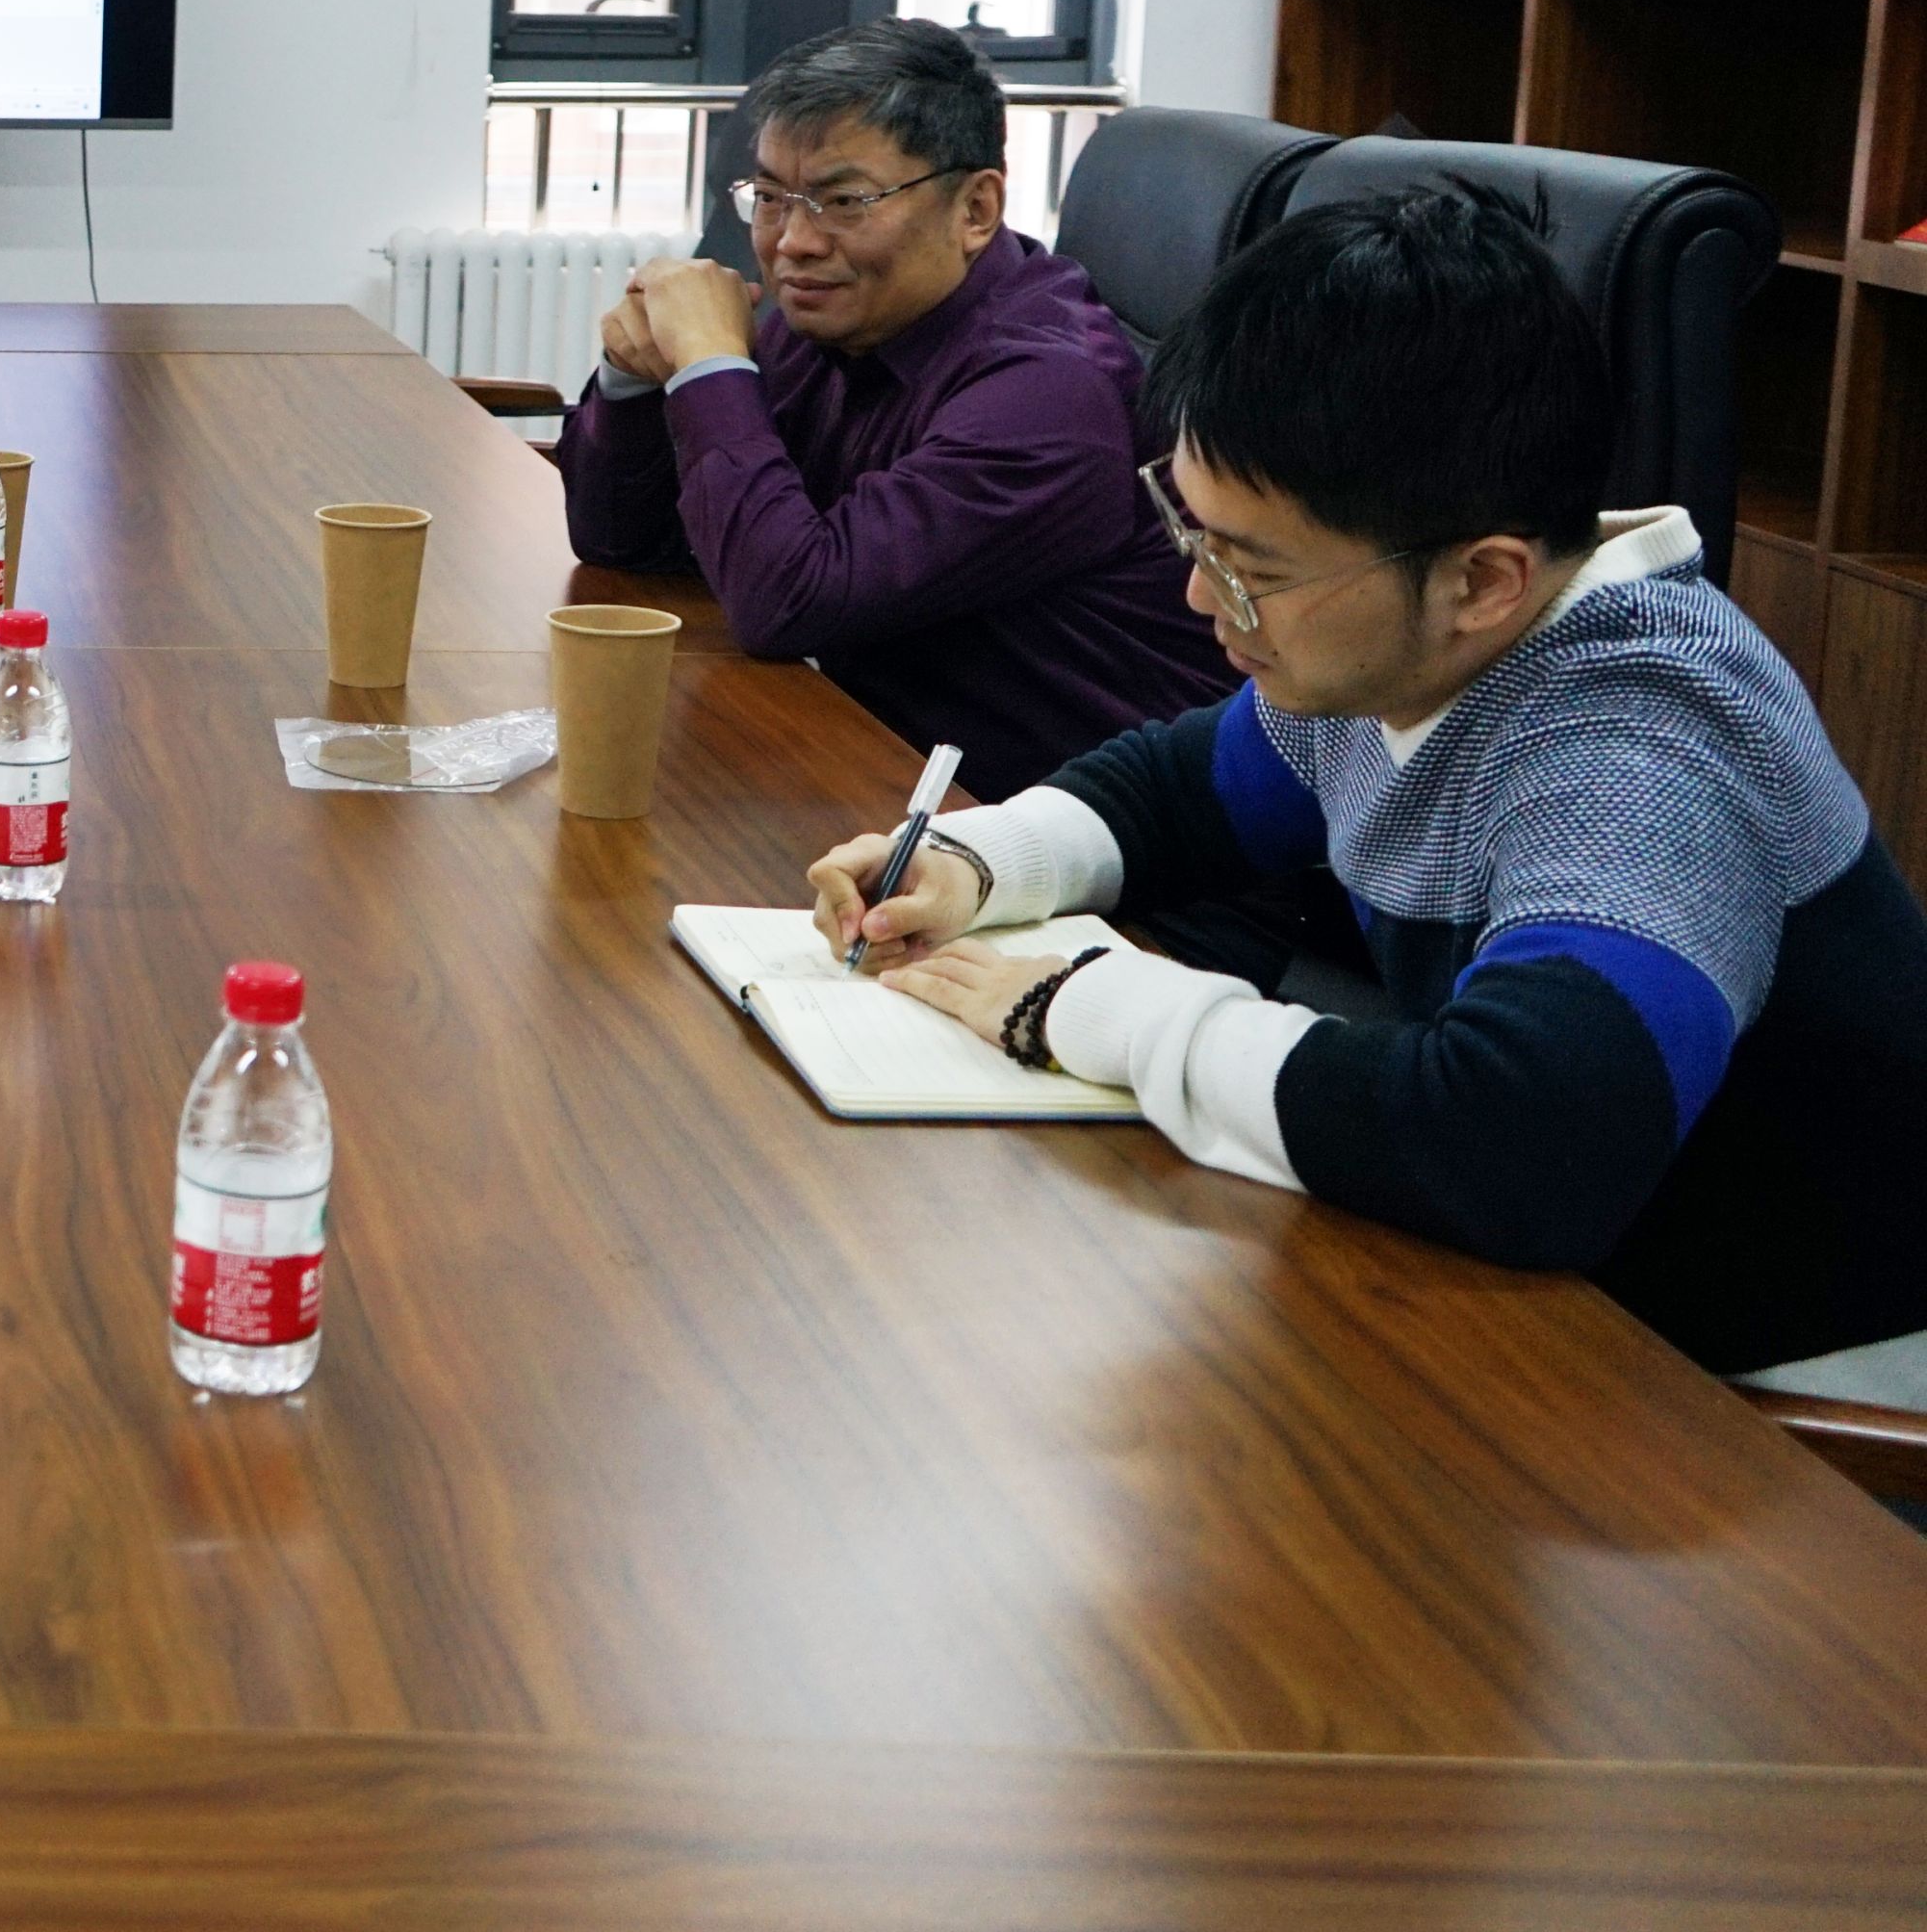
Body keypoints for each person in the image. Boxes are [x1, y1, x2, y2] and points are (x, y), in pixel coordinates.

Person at [813, 189, 1927, 1381]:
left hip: (1772, 1381)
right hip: (1558, 1293)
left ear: (1480, 580)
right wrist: (977, 864)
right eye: (1195, 537)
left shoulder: (1641, 750)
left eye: (1248, 570)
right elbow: (1180, 791)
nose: (1197, 596)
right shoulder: (1412, 648)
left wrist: (1083, 1008)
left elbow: (1521, 1148)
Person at [561, 16, 1228, 801]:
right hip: (877, 761)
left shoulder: (1050, 395)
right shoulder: (837, 317)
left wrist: (710, 363)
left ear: (975, 209)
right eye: (771, 197)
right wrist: (634, 377)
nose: (793, 241)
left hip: (1066, 829)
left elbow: (788, 600)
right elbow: (623, 541)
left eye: (844, 200)